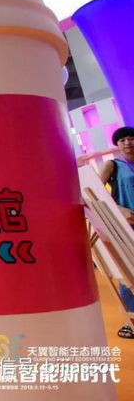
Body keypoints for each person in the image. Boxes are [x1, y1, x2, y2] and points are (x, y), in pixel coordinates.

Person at [98, 126, 134, 339]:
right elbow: (95, 193)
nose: (128, 143)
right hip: (126, 225)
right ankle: (130, 322)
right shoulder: (113, 166)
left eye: (131, 138)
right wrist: (119, 210)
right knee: (127, 272)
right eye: (123, 140)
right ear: (117, 145)